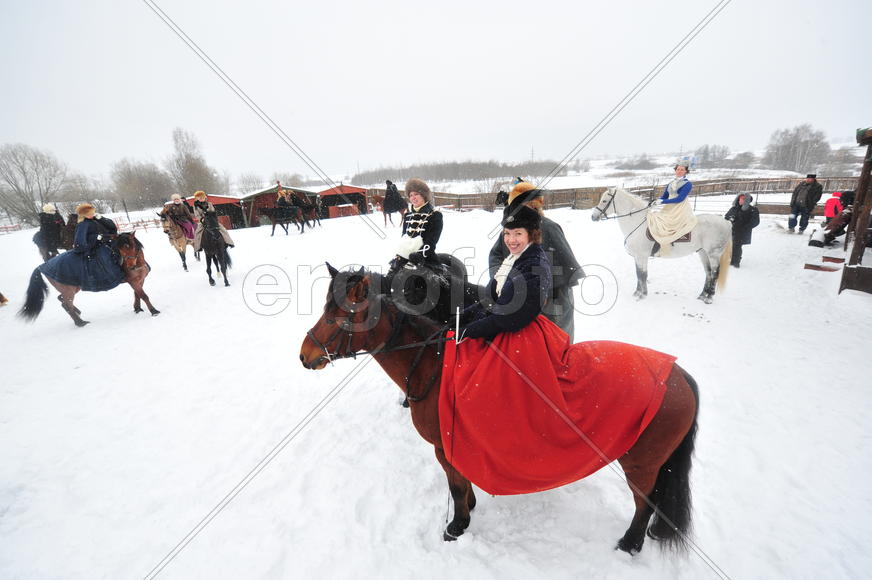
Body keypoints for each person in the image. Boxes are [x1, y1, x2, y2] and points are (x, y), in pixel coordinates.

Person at [488, 181, 585, 341]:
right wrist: (501, 279)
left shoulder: (549, 227)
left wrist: (541, 289)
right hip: (517, 296)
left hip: (553, 300)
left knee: (553, 343)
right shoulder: (510, 229)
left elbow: (562, 264)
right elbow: (496, 255)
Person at [461, 199, 551, 340]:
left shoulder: (535, 267)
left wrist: (469, 330)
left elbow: (509, 318)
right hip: (498, 325)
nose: (511, 240)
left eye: (518, 233)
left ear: (531, 234)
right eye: (507, 233)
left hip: (518, 337)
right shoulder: (513, 259)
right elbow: (490, 300)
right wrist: (461, 318)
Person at [38, 203, 125, 292]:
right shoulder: (82, 225)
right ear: (84, 214)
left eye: (92, 212)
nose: (92, 214)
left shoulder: (96, 219)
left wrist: (101, 218)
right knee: (105, 258)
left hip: (108, 242)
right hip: (94, 248)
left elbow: (113, 228)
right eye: (89, 213)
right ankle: (112, 278)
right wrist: (95, 238)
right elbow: (79, 245)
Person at [647, 161, 697, 256]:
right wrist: (657, 201)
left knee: (668, 224)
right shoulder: (671, 183)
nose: (679, 171)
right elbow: (665, 196)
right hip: (668, 206)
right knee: (658, 221)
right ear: (675, 170)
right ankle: (657, 243)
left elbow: (679, 199)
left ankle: (668, 244)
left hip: (680, 208)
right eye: (678, 169)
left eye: (682, 170)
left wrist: (662, 202)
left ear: (686, 171)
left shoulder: (687, 184)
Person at [724, 193, 760, 267]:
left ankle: (736, 262)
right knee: (730, 245)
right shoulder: (734, 208)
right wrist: (730, 220)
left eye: (743, 199)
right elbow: (726, 217)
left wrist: (745, 227)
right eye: (740, 198)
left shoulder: (752, 210)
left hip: (742, 232)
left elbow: (755, 221)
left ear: (747, 200)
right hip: (731, 230)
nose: (740, 200)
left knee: (737, 246)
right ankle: (730, 259)